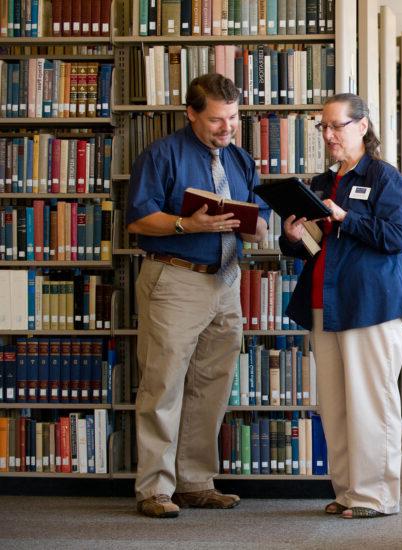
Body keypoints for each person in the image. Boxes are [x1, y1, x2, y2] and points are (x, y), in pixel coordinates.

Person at [126, 74, 269, 518]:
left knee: (212, 385)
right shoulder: (163, 154)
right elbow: (138, 219)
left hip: (225, 281)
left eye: (233, 118)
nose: (226, 128)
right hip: (175, 278)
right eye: (216, 120)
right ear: (191, 114)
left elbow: (260, 216)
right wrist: (189, 224)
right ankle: (154, 489)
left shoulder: (241, 160)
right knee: (163, 383)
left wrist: (258, 226)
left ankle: (194, 482)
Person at [280, 93, 402, 519]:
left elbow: (399, 236)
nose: (329, 135)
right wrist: (292, 234)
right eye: (323, 127)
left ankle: (376, 496)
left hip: (370, 307)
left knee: (371, 404)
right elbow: (311, 250)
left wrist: (346, 218)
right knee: (335, 406)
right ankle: (348, 492)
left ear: (362, 126)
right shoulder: (321, 183)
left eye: (337, 125)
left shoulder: (384, 178)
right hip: (325, 305)